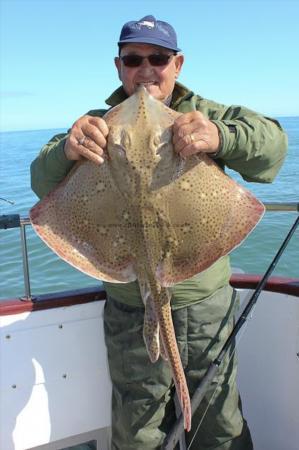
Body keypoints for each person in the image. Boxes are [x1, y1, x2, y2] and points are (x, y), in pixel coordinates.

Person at [31, 15, 287, 450]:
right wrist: (68, 150)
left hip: (205, 308)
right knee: (138, 431)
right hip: (128, 311)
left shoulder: (205, 115)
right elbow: (42, 179)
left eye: (158, 58)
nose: (146, 69)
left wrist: (220, 137)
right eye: (133, 59)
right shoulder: (95, 123)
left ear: (178, 64)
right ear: (118, 66)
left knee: (218, 425)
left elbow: (274, 150)